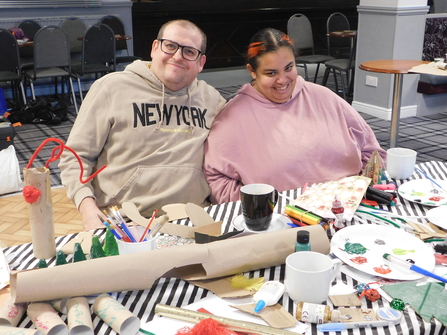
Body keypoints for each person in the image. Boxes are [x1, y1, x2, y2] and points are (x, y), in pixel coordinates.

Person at [59, 20, 226, 230]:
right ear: (155, 48)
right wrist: (86, 206)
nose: (177, 56)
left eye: (189, 52)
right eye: (171, 46)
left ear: (201, 63)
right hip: (126, 222)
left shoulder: (212, 99)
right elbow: (75, 156)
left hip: (193, 217)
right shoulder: (111, 88)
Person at [203, 28, 386, 204]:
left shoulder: (324, 97)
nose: (282, 80)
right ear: (252, 71)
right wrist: (259, 206)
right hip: (283, 219)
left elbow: (372, 152)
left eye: (288, 68)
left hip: (351, 205)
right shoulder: (232, 118)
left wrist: (363, 187)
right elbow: (216, 178)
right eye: (271, 73)